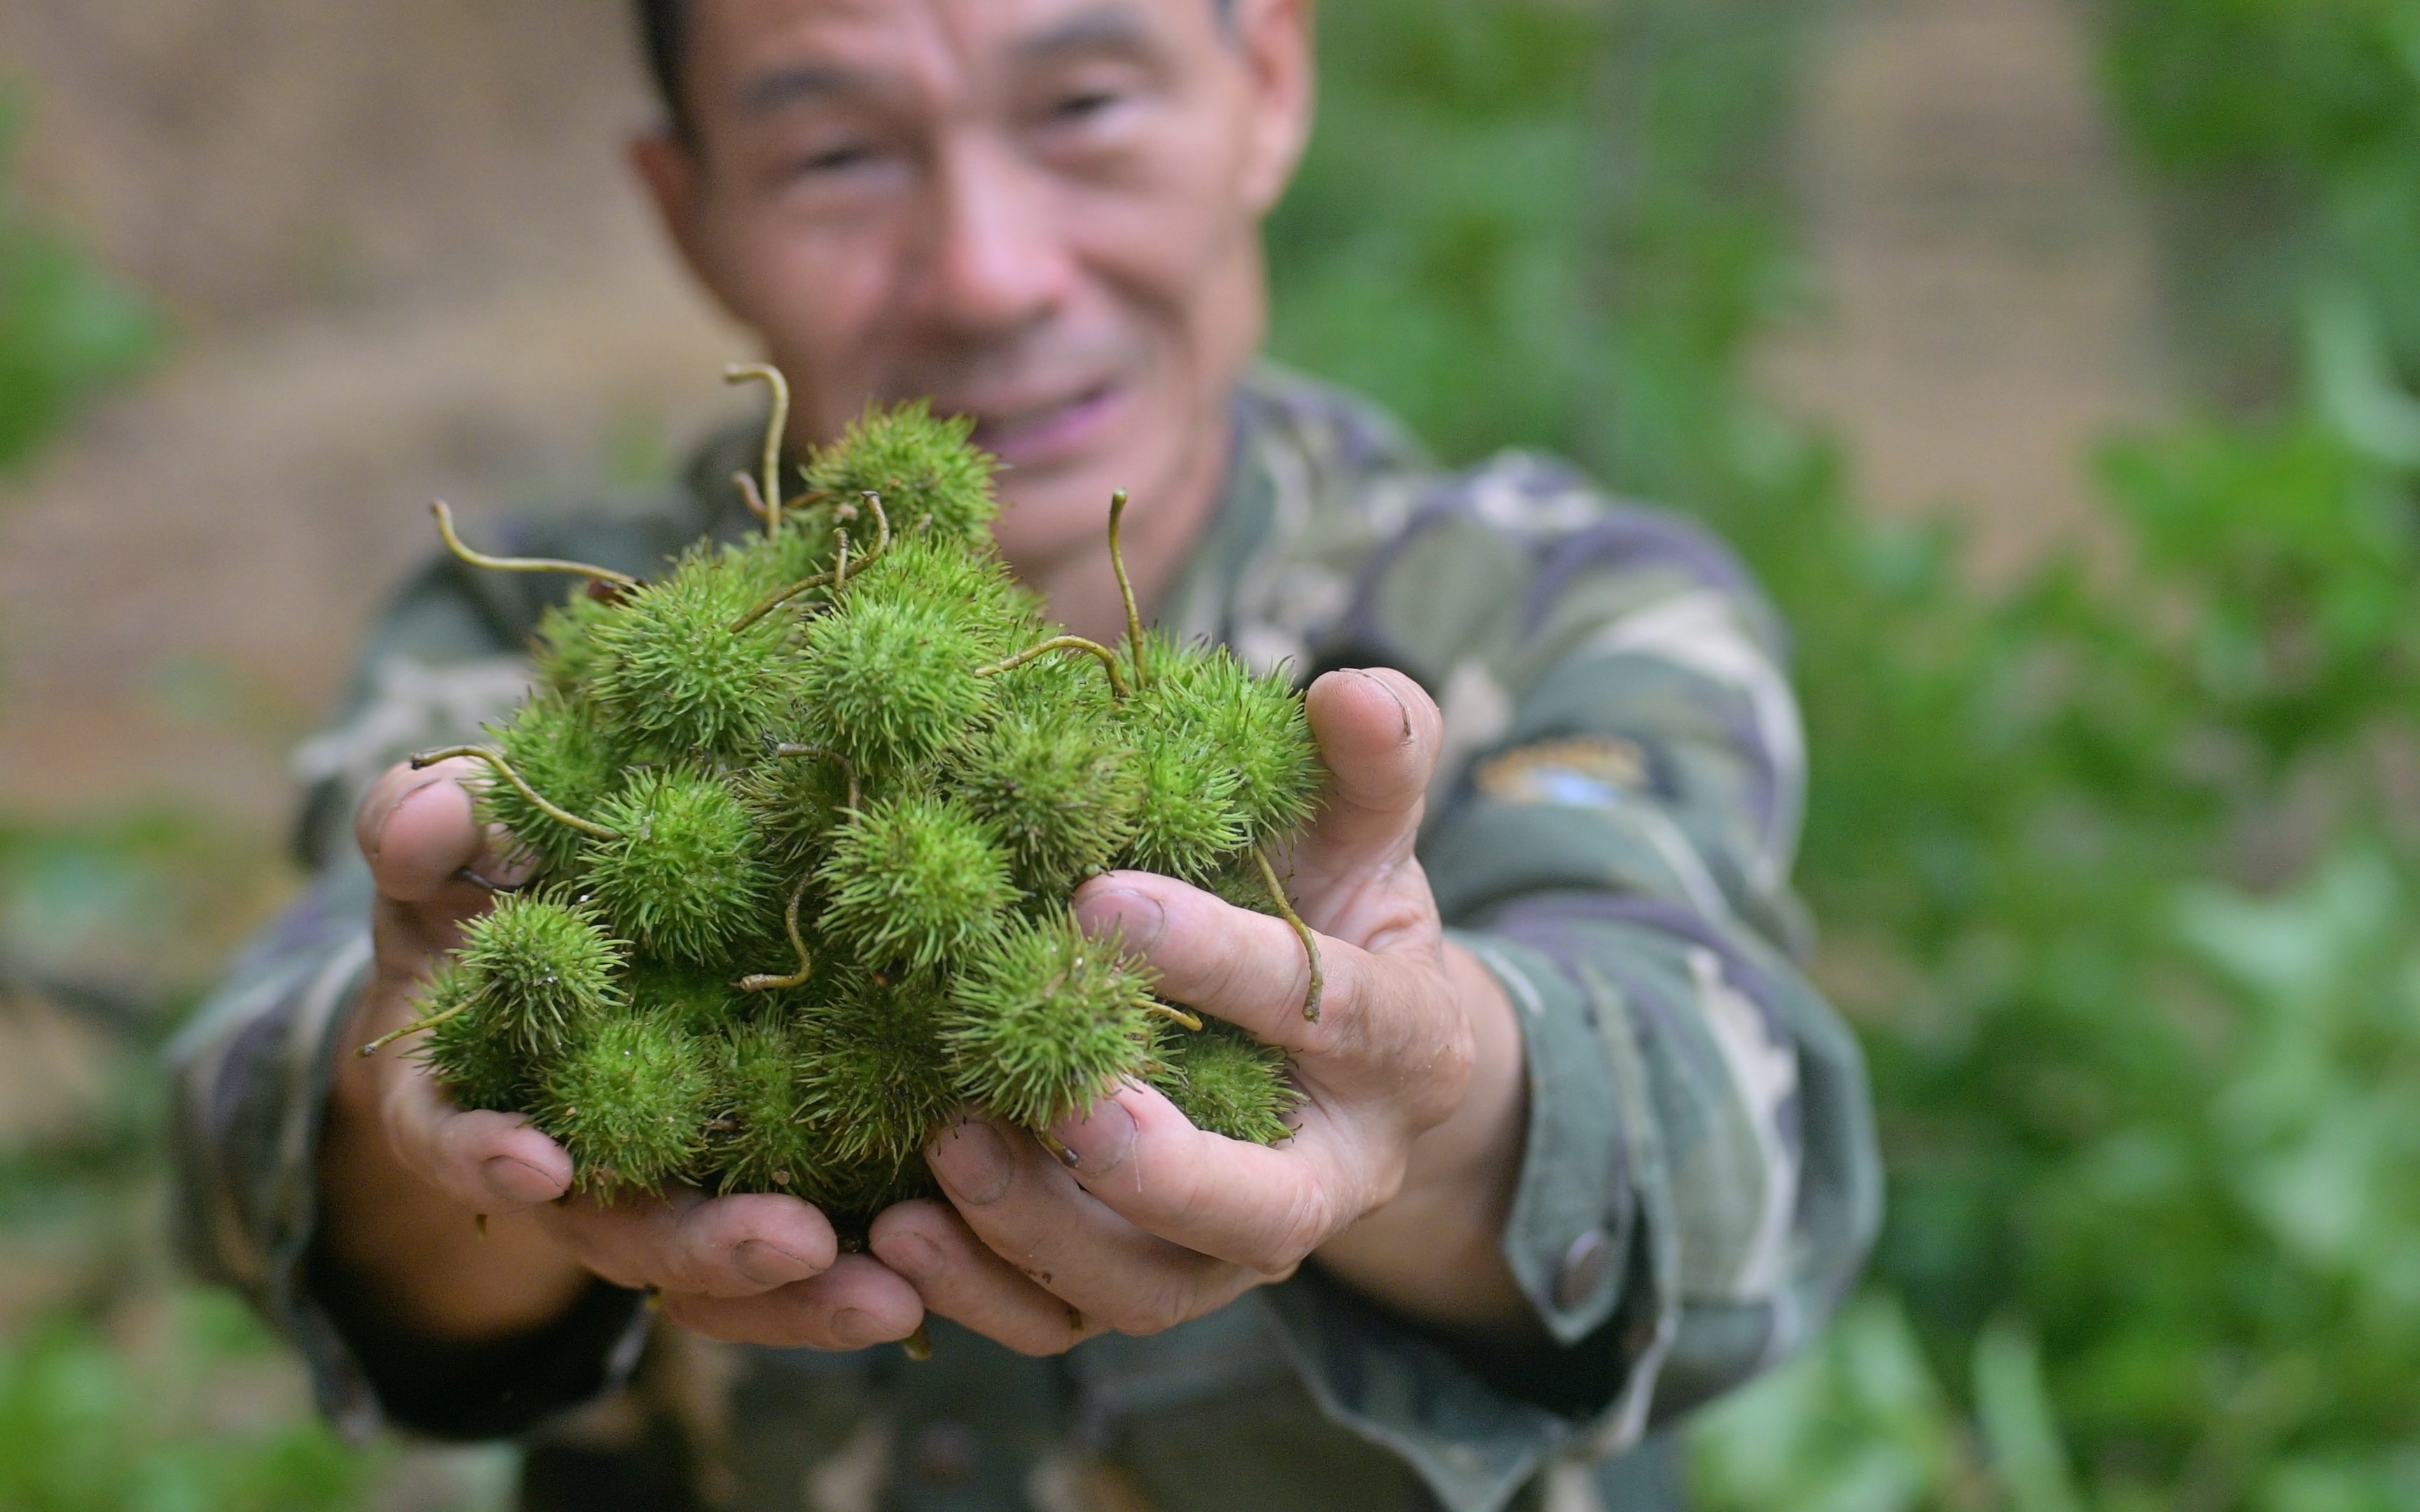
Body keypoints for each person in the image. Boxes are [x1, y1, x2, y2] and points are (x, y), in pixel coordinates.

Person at [168, 2, 1879, 1508]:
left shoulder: (1554, 605)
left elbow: (1750, 1126)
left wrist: (1434, 1104)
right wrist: (432, 1101)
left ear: (1269, 81)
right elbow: (252, 1097)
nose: (990, 269)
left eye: (1083, 107)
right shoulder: (542, 655)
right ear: (691, 209)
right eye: (839, 150)